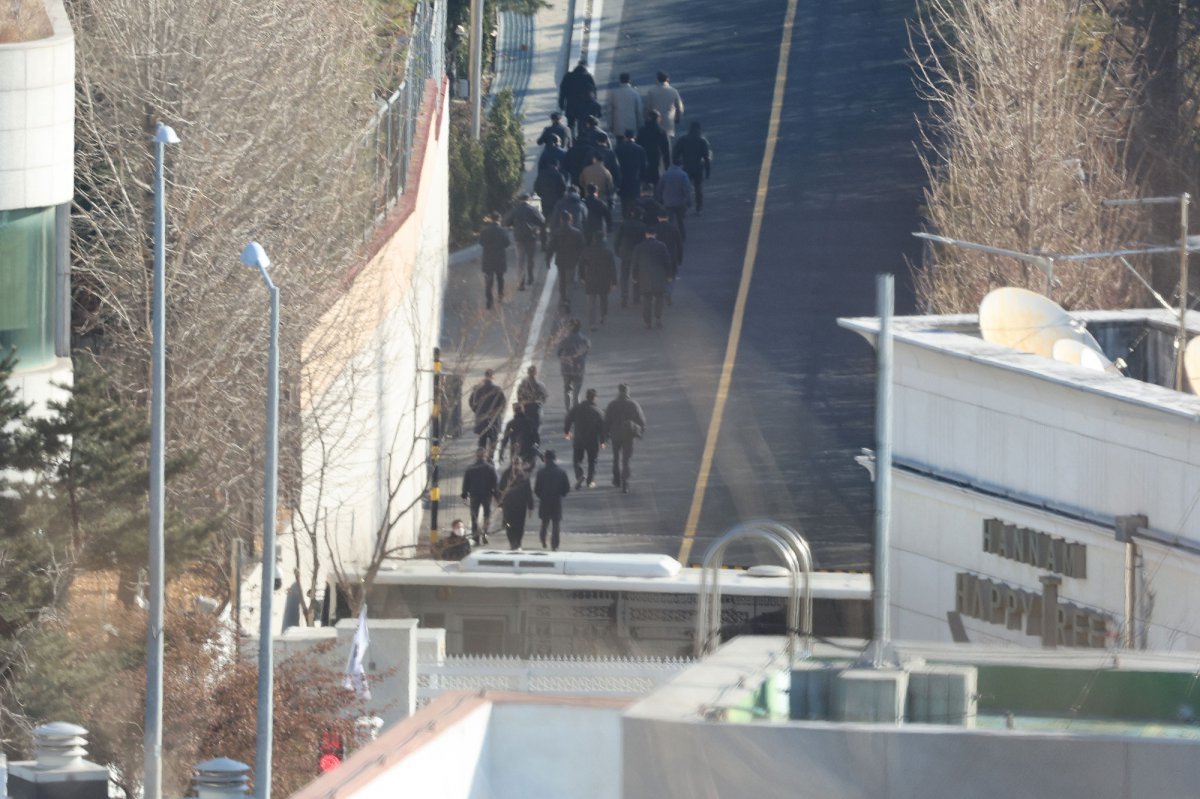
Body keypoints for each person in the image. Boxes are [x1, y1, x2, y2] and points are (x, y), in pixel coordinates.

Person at [604, 383, 646, 493]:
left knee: (616, 458)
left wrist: (605, 435)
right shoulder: (633, 405)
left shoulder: (612, 404)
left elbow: (607, 421)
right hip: (628, 436)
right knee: (626, 460)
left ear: (619, 391)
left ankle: (616, 479)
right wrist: (640, 431)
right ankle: (625, 483)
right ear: (628, 392)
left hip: (615, 435)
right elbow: (641, 421)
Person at [563, 388, 606, 489]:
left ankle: (579, 475)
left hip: (579, 439)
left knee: (576, 460)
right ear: (595, 398)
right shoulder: (598, 412)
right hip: (592, 440)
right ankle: (590, 481)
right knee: (592, 461)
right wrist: (602, 441)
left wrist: (567, 432)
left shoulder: (577, 408)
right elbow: (602, 428)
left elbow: (568, 419)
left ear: (586, 396)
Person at [503, 193, 546, 290]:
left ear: (519, 200)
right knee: (530, 259)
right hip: (531, 237)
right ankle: (530, 278)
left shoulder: (515, 210)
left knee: (520, 260)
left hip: (519, 238)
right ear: (529, 199)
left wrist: (514, 224)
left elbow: (506, 222)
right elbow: (542, 220)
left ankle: (521, 283)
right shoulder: (532, 209)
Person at [632, 227, 672, 329]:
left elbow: (635, 264)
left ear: (646, 234)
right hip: (659, 276)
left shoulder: (639, 247)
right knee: (659, 298)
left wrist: (634, 276)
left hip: (645, 277)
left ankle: (647, 322)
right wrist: (669, 275)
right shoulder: (662, 246)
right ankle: (658, 318)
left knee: (646, 299)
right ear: (655, 234)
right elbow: (667, 262)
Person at [545, 211, 586, 311]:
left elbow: (551, 247)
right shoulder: (577, 232)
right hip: (572, 260)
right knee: (570, 281)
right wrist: (582, 260)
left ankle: (563, 299)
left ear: (561, 220)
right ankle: (568, 300)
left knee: (562, 281)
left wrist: (548, 260)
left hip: (560, 259)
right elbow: (582, 248)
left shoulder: (557, 232)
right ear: (570, 220)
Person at [534, 450, 571, 550]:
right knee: (556, 524)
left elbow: (537, 489)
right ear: (555, 459)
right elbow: (566, 488)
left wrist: (541, 496)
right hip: (556, 501)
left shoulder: (540, 473)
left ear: (545, 459)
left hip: (545, 501)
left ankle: (543, 540)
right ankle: (554, 545)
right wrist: (561, 494)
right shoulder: (561, 472)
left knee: (544, 523)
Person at [460, 448, 498, 545]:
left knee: (474, 517)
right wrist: (496, 496)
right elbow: (495, 484)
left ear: (476, 456)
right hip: (487, 495)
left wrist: (465, 494)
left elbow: (466, 483)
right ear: (485, 456)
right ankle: (485, 534)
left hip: (474, 495)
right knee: (487, 516)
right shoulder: (490, 468)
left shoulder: (470, 468)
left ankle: (476, 537)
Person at [673, 121, 712, 214]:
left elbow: (675, 153)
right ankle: (699, 208)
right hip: (698, 168)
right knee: (698, 189)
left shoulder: (683, 139)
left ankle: (683, 207)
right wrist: (708, 171)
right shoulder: (702, 141)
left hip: (686, 167)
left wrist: (677, 163)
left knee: (684, 188)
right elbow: (706, 157)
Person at [580, 233, 617, 329]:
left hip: (591, 278)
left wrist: (582, 277)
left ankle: (592, 323)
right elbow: (612, 268)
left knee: (592, 301)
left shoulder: (587, 251)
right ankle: (603, 316)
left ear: (594, 239)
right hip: (604, 279)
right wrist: (614, 282)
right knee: (604, 298)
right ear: (603, 239)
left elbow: (581, 265)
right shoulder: (608, 252)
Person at [477, 211, 511, 309]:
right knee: (500, 279)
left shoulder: (484, 231)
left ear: (491, 219)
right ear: (499, 219)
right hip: (500, 258)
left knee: (488, 280)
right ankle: (500, 296)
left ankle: (489, 300)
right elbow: (507, 243)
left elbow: (481, 243)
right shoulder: (503, 231)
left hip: (488, 258)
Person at [556, 318, 591, 412]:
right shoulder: (584, 340)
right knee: (577, 392)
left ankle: (568, 410)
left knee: (567, 390)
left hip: (566, 368)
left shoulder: (564, 339)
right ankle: (577, 411)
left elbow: (559, 353)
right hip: (579, 368)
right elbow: (587, 352)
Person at [468, 369, 506, 453]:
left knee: (482, 441)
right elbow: (503, 404)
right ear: (493, 377)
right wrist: (497, 413)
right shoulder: (497, 389)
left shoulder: (478, 389)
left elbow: (471, 402)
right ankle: (490, 458)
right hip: (494, 420)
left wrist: (477, 411)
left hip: (481, 420)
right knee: (493, 441)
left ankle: (482, 457)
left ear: (485, 376)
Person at [498, 460, 534, 549]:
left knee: (520, 526)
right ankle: (512, 542)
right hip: (508, 506)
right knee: (509, 525)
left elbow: (528, 493)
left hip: (520, 506)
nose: (516, 466)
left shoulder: (524, 477)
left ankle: (518, 542)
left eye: (518, 464)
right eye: (515, 463)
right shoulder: (506, 475)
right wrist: (500, 503)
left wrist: (530, 507)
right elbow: (500, 489)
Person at [614, 210, 647, 308]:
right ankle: (636, 297)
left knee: (624, 275)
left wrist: (617, 251)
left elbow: (617, 239)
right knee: (636, 275)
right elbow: (644, 241)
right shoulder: (642, 225)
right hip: (638, 254)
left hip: (625, 252)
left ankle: (624, 296)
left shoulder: (624, 224)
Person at [558, 59, 597, 138]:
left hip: (571, 106)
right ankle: (581, 141)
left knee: (570, 125)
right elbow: (593, 92)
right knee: (582, 126)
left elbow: (563, 91)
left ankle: (570, 141)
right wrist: (593, 105)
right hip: (584, 107)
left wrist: (561, 104)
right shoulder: (588, 77)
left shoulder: (568, 76)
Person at [656, 160, 693, 241]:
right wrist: (689, 201)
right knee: (681, 222)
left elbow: (659, 188)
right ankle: (682, 237)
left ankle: (669, 237)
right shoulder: (683, 175)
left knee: (669, 221)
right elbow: (687, 189)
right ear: (681, 165)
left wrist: (659, 199)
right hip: (680, 203)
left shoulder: (665, 174)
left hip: (668, 202)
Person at [614, 130, 647, 216]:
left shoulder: (618, 148)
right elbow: (643, 165)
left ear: (625, 137)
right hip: (635, 178)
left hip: (623, 178)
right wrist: (643, 179)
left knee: (624, 200)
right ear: (634, 137)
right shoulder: (640, 149)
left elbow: (615, 165)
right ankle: (635, 217)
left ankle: (625, 218)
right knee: (635, 199)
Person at [644, 71, 684, 139]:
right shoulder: (673, 91)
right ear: (667, 79)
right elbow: (680, 108)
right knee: (668, 145)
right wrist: (677, 118)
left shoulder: (651, 91)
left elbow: (647, 107)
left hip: (655, 123)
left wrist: (646, 119)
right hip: (669, 122)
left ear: (657, 79)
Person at [500, 402, 540, 467]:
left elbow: (505, 439)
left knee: (515, 471)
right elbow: (536, 438)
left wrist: (501, 453)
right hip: (528, 451)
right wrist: (535, 449)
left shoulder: (510, 424)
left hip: (515, 451)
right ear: (523, 410)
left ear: (514, 411)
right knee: (526, 472)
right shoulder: (530, 422)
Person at [637, 110, 672, 186]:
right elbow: (666, 150)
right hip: (656, 156)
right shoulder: (662, 131)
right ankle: (656, 193)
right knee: (657, 178)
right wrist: (667, 166)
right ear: (658, 119)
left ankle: (646, 187)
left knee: (645, 176)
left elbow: (637, 144)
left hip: (644, 156)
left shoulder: (642, 130)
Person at [606, 73, 644, 140]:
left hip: (618, 125)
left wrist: (610, 124)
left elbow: (610, 110)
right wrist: (640, 125)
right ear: (629, 80)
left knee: (619, 144)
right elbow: (639, 111)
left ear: (620, 80)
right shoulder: (635, 93)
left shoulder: (613, 93)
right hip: (632, 125)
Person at [516, 365, 548, 430]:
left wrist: (523, 403)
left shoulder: (522, 385)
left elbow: (519, 397)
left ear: (528, 373)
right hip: (536, 408)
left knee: (526, 427)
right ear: (536, 373)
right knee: (537, 427)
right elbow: (544, 397)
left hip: (526, 407)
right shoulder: (540, 385)